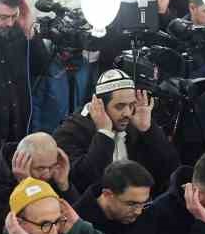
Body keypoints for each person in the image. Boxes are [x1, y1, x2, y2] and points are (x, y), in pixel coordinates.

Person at [52, 70, 180, 195]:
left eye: (131, 105)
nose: (128, 113)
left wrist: (149, 130)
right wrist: (104, 134)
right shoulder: (70, 132)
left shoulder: (134, 124)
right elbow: (83, 181)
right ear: (100, 104)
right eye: (120, 106)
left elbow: (171, 169)